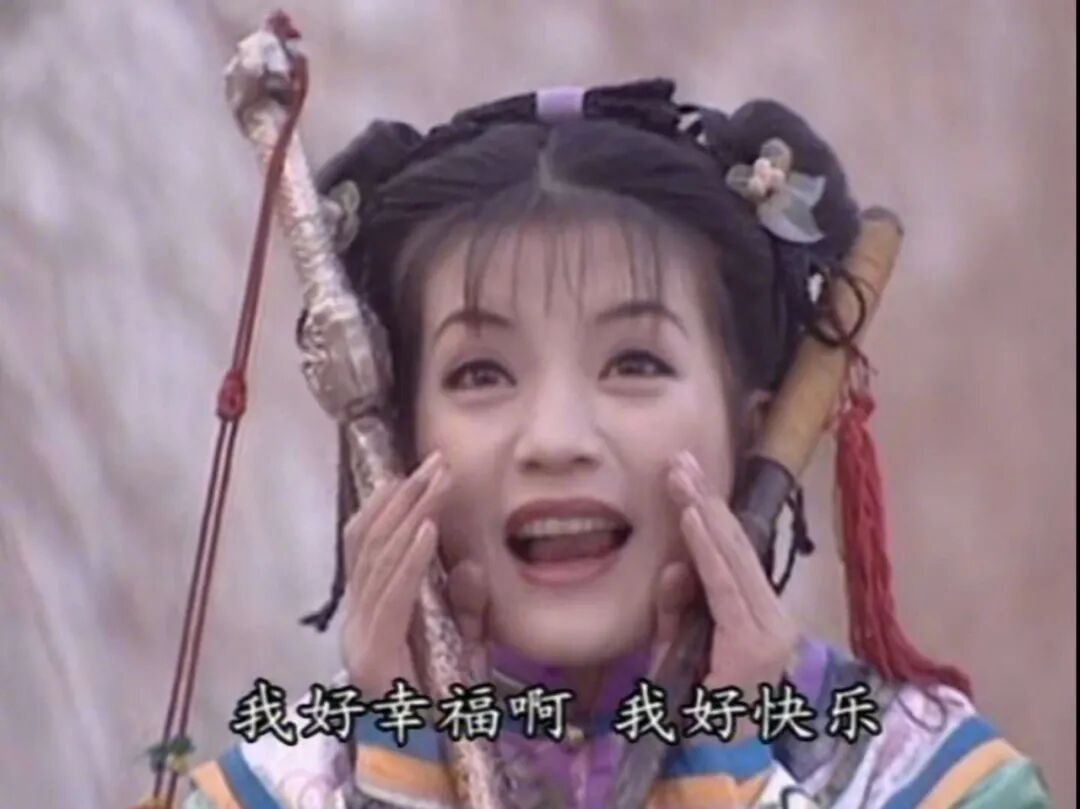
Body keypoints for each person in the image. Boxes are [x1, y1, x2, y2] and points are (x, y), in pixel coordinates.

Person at [183, 81, 1051, 808]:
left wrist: (727, 769)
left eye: (634, 363)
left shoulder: (934, 782)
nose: (556, 439)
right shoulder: (268, 790)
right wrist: (401, 773)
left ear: (751, 427)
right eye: (482, 373)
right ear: (403, 442)